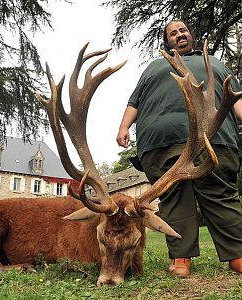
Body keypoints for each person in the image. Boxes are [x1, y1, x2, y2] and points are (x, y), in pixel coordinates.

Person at [117, 20, 242, 276]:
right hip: (162, 139)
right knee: (174, 196)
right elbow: (135, 101)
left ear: (191, 36)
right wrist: (123, 127)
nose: (179, 34)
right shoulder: (154, 67)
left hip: (213, 136)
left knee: (220, 193)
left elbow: (235, 96)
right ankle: (181, 257)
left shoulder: (214, 63)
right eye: (172, 33)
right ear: (167, 42)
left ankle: (238, 254)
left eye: (183, 30)